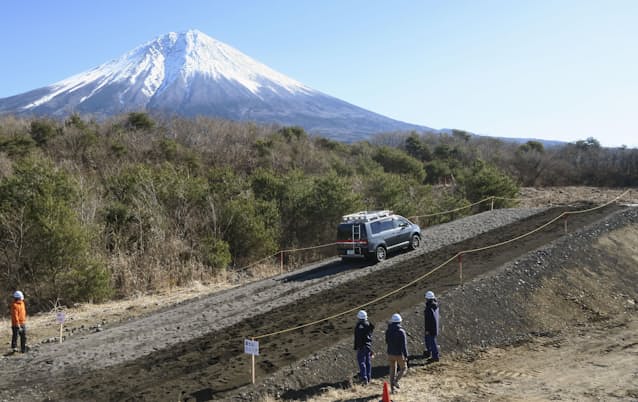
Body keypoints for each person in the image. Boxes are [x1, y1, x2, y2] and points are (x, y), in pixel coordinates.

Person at [385, 313, 408, 393]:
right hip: (399, 354)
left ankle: (392, 388)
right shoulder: (401, 332)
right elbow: (404, 345)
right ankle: (396, 381)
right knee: (404, 368)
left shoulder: (388, 331)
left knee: (392, 370)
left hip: (390, 353)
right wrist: (405, 355)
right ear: (400, 322)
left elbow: (387, 341)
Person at [353, 309, 374, 384]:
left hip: (361, 346)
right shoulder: (368, 324)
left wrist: (356, 346)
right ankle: (368, 377)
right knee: (368, 362)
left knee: (361, 362)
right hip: (368, 346)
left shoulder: (359, 326)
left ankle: (364, 377)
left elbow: (357, 337)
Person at [423, 290, 440, 362]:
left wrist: (427, 330)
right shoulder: (435, 306)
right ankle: (429, 351)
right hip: (435, 327)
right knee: (430, 340)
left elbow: (428, 321)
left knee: (432, 342)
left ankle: (435, 356)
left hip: (430, 329)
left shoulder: (428, 309)